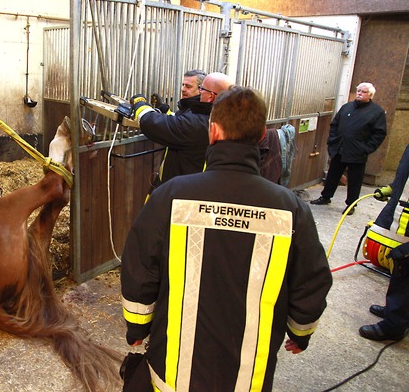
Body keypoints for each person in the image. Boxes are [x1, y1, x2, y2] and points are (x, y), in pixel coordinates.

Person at [120, 86, 332, 391]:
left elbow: (140, 266)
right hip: (249, 379)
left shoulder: (171, 194)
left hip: (173, 375)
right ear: (261, 134)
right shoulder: (290, 208)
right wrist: (300, 332)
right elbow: (312, 279)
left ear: (213, 131)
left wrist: (137, 325)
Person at [130, 71, 233, 189]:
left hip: (182, 191)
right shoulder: (221, 118)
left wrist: (140, 106)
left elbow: (155, 123)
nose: (200, 92)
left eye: (202, 89)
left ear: (211, 96)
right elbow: (181, 124)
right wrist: (164, 111)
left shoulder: (202, 123)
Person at [310, 82, 387, 215]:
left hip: (357, 152)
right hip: (340, 148)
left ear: (370, 95)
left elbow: (379, 133)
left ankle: (351, 204)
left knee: (355, 179)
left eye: (363, 91)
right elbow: (334, 124)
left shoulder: (377, 112)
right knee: (333, 174)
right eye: (358, 91)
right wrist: (332, 141)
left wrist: (366, 148)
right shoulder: (347, 107)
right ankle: (326, 196)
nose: (359, 93)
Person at [359, 144, 409, 341]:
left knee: (405, 267)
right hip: (403, 209)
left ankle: (394, 325)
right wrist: (392, 190)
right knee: (401, 264)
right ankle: (398, 312)